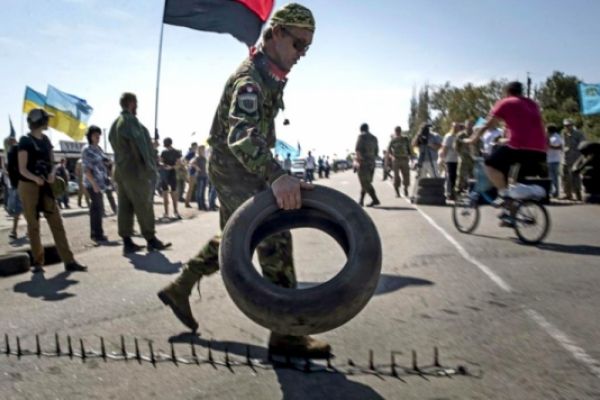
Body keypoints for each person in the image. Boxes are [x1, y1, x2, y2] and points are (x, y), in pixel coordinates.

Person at [157, 3, 330, 358]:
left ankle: (180, 286)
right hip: (235, 168)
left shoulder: (269, 74)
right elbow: (241, 135)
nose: (302, 54)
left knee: (235, 238)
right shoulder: (251, 80)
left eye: (307, 47)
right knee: (274, 236)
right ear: (277, 33)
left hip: (240, 167)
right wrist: (276, 176)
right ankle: (286, 335)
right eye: (298, 43)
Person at [466, 81, 547, 224]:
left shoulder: (506, 102)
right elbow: (536, 127)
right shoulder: (532, 104)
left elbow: (488, 123)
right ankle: (510, 216)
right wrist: (504, 141)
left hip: (519, 147)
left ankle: (503, 196)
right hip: (539, 150)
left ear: (507, 92)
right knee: (512, 183)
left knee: (490, 165)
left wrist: (473, 138)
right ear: (521, 91)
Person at [17, 108, 87, 273]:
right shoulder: (25, 141)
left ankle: (69, 261)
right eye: (46, 119)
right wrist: (35, 178)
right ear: (39, 121)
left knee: (57, 222)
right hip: (29, 186)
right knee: (33, 225)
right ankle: (38, 262)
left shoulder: (46, 140)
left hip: (46, 185)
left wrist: (52, 174)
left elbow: (52, 163)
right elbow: (22, 169)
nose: (48, 122)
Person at [109, 92, 172, 254]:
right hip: (135, 171)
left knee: (124, 206)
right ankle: (151, 239)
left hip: (120, 170)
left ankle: (127, 241)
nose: (137, 106)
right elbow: (140, 145)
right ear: (131, 103)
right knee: (143, 204)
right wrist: (151, 164)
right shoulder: (130, 121)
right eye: (136, 103)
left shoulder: (115, 124)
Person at [82, 125, 110, 242]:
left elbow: (104, 162)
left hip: (100, 183)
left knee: (98, 208)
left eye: (99, 135)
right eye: (95, 135)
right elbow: (86, 169)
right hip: (92, 183)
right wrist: (94, 184)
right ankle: (96, 234)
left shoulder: (98, 149)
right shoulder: (87, 150)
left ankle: (97, 233)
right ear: (90, 136)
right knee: (97, 208)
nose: (97, 137)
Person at [355, 123, 380, 206]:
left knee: (365, 183)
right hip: (372, 163)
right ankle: (361, 201)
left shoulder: (361, 137)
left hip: (363, 163)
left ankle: (375, 199)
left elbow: (358, 150)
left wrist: (358, 162)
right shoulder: (374, 138)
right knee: (366, 183)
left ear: (361, 129)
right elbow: (376, 152)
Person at [561, 119, 585, 201]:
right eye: (565, 125)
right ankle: (568, 194)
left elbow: (582, 144)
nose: (567, 127)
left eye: (568, 125)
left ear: (572, 125)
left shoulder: (578, 133)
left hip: (575, 158)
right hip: (565, 158)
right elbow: (562, 144)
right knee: (565, 177)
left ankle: (578, 195)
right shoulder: (563, 133)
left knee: (575, 177)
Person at [159, 137, 183, 219]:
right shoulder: (176, 152)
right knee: (173, 193)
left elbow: (160, 162)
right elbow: (179, 164)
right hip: (172, 173)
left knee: (165, 193)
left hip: (165, 173)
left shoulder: (163, 152)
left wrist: (165, 166)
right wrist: (172, 167)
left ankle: (166, 213)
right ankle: (175, 212)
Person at [5, 136, 23, 240]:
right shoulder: (17, 149)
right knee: (21, 208)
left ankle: (14, 231)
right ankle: (30, 229)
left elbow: (12, 169)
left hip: (17, 184)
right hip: (18, 184)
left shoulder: (13, 150)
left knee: (18, 208)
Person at [387, 126, 412, 197]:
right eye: (397, 131)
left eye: (399, 131)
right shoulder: (393, 140)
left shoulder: (405, 139)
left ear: (400, 131)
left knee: (406, 175)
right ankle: (397, 191)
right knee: (396, 177)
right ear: (395, 132)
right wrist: (391, 157)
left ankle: (405, 188)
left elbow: (409, 148)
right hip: (396, 159)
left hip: (404, 159)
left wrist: (410, 156)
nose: (398, 132)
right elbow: (389, 150)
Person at [454, 119, 476, 194]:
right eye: (468, 124)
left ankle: (472, 190)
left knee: (473, 175)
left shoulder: (475, 134)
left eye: (471, 124)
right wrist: (460, 154)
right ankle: (458, 190)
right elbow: (456, 146)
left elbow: (479, 144)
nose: (469, 126)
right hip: (463, 158)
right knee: (460, 175)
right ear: (465, 125)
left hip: (473, 158)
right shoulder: (460, 135)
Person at [440, 122, 461, 200]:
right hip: (449, 159)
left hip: (457, 159)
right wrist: (443, 159)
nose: (456, 129)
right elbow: (444, 148)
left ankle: (452, 193)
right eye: (454, 127)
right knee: (450, 177)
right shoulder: (448, 136)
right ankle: (449, 194)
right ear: (451, 127)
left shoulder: (458, 136)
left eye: (457, 127)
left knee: (455, 177)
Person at [546, 124, 563, 198]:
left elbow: (559, 147)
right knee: (552, 177)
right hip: (551, 159)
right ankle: (554, 192)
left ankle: (555, 193)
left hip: (553, 160)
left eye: (546, 129)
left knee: (553, 178)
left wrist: (548, 145)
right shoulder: (552, 137)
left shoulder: (555, 138)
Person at [193, 145, 208, 210]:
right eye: (202, 149)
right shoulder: (197, 158)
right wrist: (197, 168)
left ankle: (203, 205)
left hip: (205, 176)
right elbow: (192, 163)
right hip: (200, 176)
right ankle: (200, 205)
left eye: (203, 149)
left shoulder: (204, 158)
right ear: (199, 150)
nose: (203, 151)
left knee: (203, 192)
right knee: (199, 191)